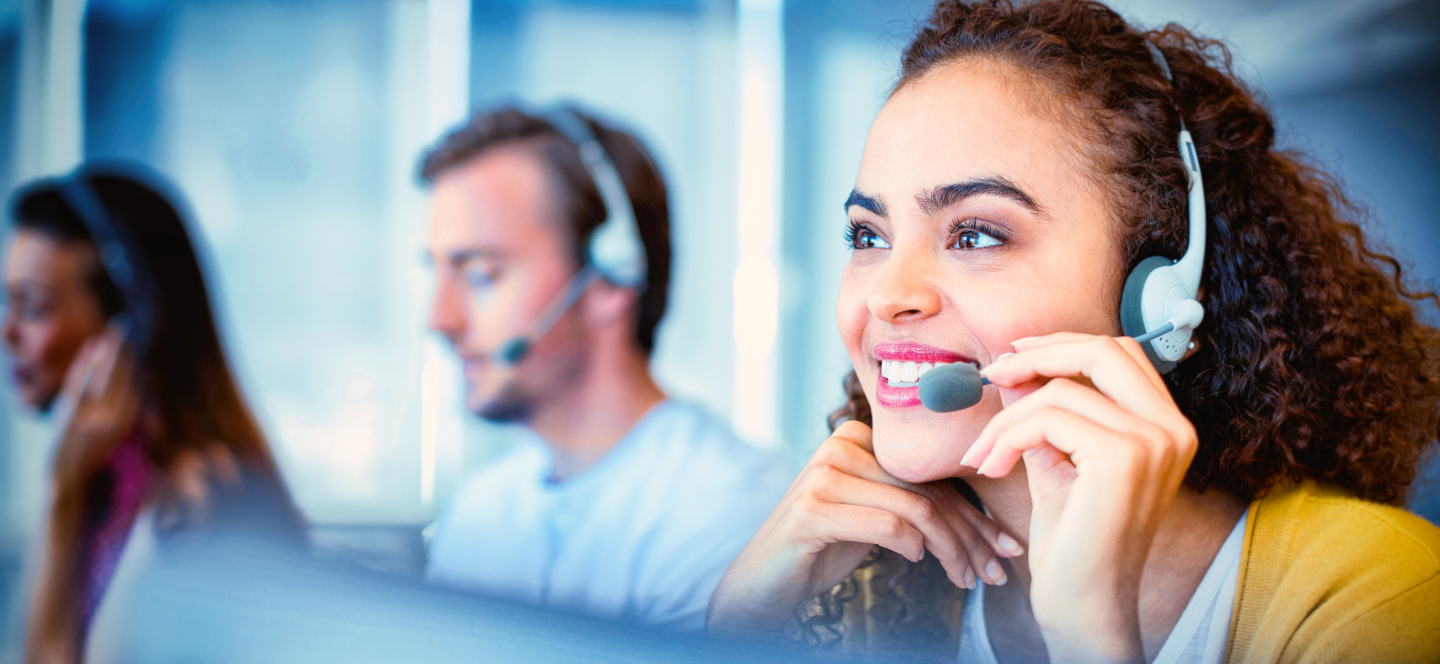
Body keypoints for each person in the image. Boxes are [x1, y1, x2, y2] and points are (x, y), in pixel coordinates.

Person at [707, 1, 1440, 662]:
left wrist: (1092, 636)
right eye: (868, 236)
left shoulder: (1381, 601)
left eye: (976, 234)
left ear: (1158, 292)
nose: (889, 296)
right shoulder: (880, 590)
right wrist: (738, 623)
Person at [419, 106, 792, 631]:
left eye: (480, 275)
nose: (440, 319)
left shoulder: (731, 513)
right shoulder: (481, 510)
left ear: (610, 279)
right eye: (436, 273)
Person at [4, 163, 303, 664]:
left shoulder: (195, 503)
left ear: (131, 320)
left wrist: (61, 492)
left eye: (32, 308)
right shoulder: (104, 478)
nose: (7, 333)